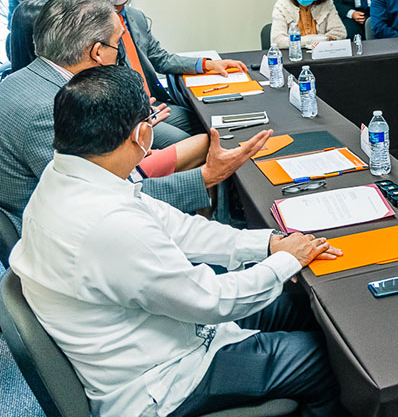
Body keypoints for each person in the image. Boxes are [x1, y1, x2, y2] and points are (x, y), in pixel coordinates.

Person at [8, 64, 347, 417]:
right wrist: (286, 261)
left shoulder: (72, 174)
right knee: (320, 360)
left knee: (301, 308)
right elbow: (209, 301)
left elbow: (180, 228)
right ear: (142, 135)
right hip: (163, 379)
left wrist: (268, 245)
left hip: (158, 330)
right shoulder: (109, 225)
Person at [0, 0, 268, 231]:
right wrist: (208, 176)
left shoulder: (21, 81)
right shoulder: (51, 109)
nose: (119, 55)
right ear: (96, 52)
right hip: (64, 234)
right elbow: (108, 198)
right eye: (117, 44)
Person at [92, 0, 246, 142]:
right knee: (191, 142)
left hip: (153, 104)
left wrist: (208, 64)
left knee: (211, 123)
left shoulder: (135, 17)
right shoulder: (85, 21)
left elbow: (160, 58)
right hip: (124, 116)